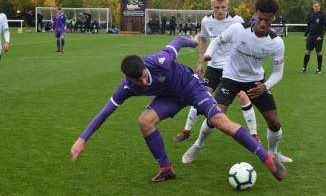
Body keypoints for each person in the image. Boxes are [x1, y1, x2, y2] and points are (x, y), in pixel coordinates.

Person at [70, 37, 286, 182]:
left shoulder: (159, 61)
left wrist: (193, 42)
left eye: (145, 76)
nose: (144, 83)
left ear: (146, 67)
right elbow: (105, 111)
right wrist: (82, 139)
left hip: (192, 87)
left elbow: (178, 41)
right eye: (138, 80)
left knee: (221, 122)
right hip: (170, 98)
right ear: (128, 78)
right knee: (144, 121)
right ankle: (166, 169)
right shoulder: (126, 87)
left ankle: (265, 157)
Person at [182, 0, 293, 165]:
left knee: (274, 121)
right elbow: (217, 41)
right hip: (230, 78)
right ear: (255, 14)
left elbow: (278, 73)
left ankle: (273, 154)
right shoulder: (237, 29)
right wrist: (208, 54)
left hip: (256, 83)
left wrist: (265, 86)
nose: (263, 23)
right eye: (260, 18)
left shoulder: (276, 43)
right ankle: (197, 145)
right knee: (215, 117)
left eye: (267, 20)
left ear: (273, 19)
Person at [173, 0, 259, 143]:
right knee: (200, 95)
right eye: (217, 7)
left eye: (223, 7)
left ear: (228, 6)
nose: (220, 11)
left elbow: (247, 39)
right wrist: (201, 62)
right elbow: (204, 41)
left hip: (233, 67)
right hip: (213, 66)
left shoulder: (237, 20)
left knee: (242, 96)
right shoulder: (206, 21)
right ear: (212, 6)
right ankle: (186, 130)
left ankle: (254, 135)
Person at [302, 1, 326, 74]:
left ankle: (319, 68)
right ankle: (304, 67)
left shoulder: (323, 15)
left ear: (320, 7)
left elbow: (325, 26)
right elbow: (308, 26)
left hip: (318, 37)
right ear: (313, 7)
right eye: (315, 6)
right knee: (307, 51)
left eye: (318, 6)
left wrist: (321, 36)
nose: (316, 7)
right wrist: (305, 35)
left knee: (319, 52)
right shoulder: (311, 15)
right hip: (311, 37)